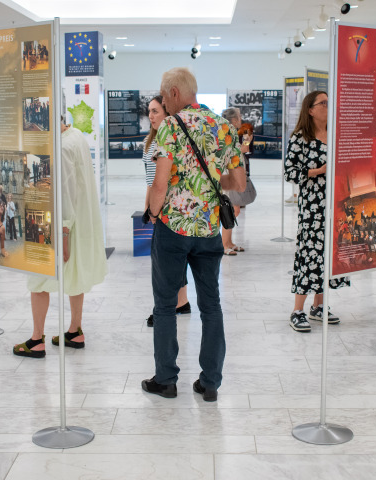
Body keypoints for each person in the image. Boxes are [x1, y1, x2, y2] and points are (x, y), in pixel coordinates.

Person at [141, 67, 246, 402]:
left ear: (173, 93)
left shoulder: (170, 126)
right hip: (208, 230)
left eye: (162, 95)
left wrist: (152, 215)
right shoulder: (223, 126)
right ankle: (210, 382)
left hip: (173, 228)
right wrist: (213, 184)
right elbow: (238, 183)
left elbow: (160, 184)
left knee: (164, 305)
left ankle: (166, 380)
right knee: (211, 305)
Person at [13, 120, 107, 357]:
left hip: (53, 220)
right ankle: (75, 331)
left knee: (37, 279)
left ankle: (36, 340)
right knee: (74, 274)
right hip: (74, 218)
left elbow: (65, 191)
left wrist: (63, 231)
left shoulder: (61, 147)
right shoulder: (75, 135)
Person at [284, 91, 349, 332]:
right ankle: (297, 310)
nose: (328, 106)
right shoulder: (300, 139)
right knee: (308, 254)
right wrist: (317, 171)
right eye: (323, 103)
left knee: (328, 255)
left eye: (329, 102)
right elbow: (289, 172)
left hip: (337, 205)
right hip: (313, 207)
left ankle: (319, 306)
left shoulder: (335, 135)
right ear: (310, 110)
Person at [142, 95, 191, 327]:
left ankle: (168, 306)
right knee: (168, 260)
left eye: (155, 111)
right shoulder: (150, 140)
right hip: (156, 206)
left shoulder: (170, 139)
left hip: (168, 208)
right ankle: (181, 302)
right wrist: (147, 207)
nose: (151, 116)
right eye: (149, 112)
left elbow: (164, 182)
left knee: (164, 264)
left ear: (166, 113)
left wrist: (155, 209)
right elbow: (150, 181)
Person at [220, 107, 253, 256]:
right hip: (229, 174)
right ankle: (224, 244)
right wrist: (247, 142)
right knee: (232, 209)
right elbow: (238, 151)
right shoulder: (227, 133)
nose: (241, 119)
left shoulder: (231, 132)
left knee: (235, 209)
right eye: (239, 117)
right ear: (233, 120)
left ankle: (229, 242)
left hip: (233, 172)